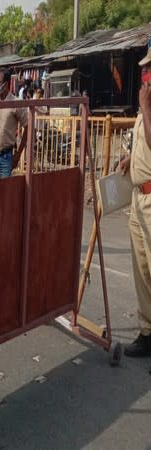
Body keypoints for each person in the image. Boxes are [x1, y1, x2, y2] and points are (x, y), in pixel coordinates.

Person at [118, 49, 151, 357]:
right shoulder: (147, 107)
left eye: (149, 68)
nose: (145, 75)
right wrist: (131, 159)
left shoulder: (148, 105)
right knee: (141, 269)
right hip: (139, 194)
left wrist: (145, 106)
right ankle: (147, 331)